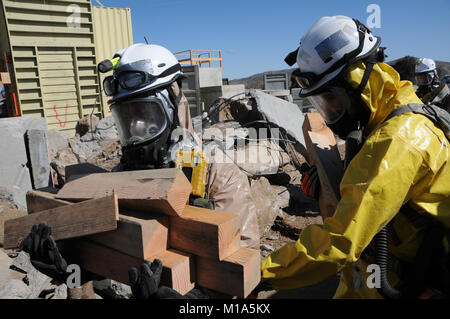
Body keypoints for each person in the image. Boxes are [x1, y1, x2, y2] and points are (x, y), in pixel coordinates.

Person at [19, 43, 260, 299]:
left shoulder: (216, 174)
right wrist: (69, 271)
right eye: (127, 118)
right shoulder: (120, 180)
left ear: (173, 105)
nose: (137, 128)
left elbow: (242, 273)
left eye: (145, 114)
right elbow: (103, 265)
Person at [259, 15, 450, 299]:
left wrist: (261, 274)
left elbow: (342, 239)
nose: (328, 110)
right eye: (320, 102)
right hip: (379, 271)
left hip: (408, 282)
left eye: (331, 98)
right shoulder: (387, 114)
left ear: (358, 79)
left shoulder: (397, 140)